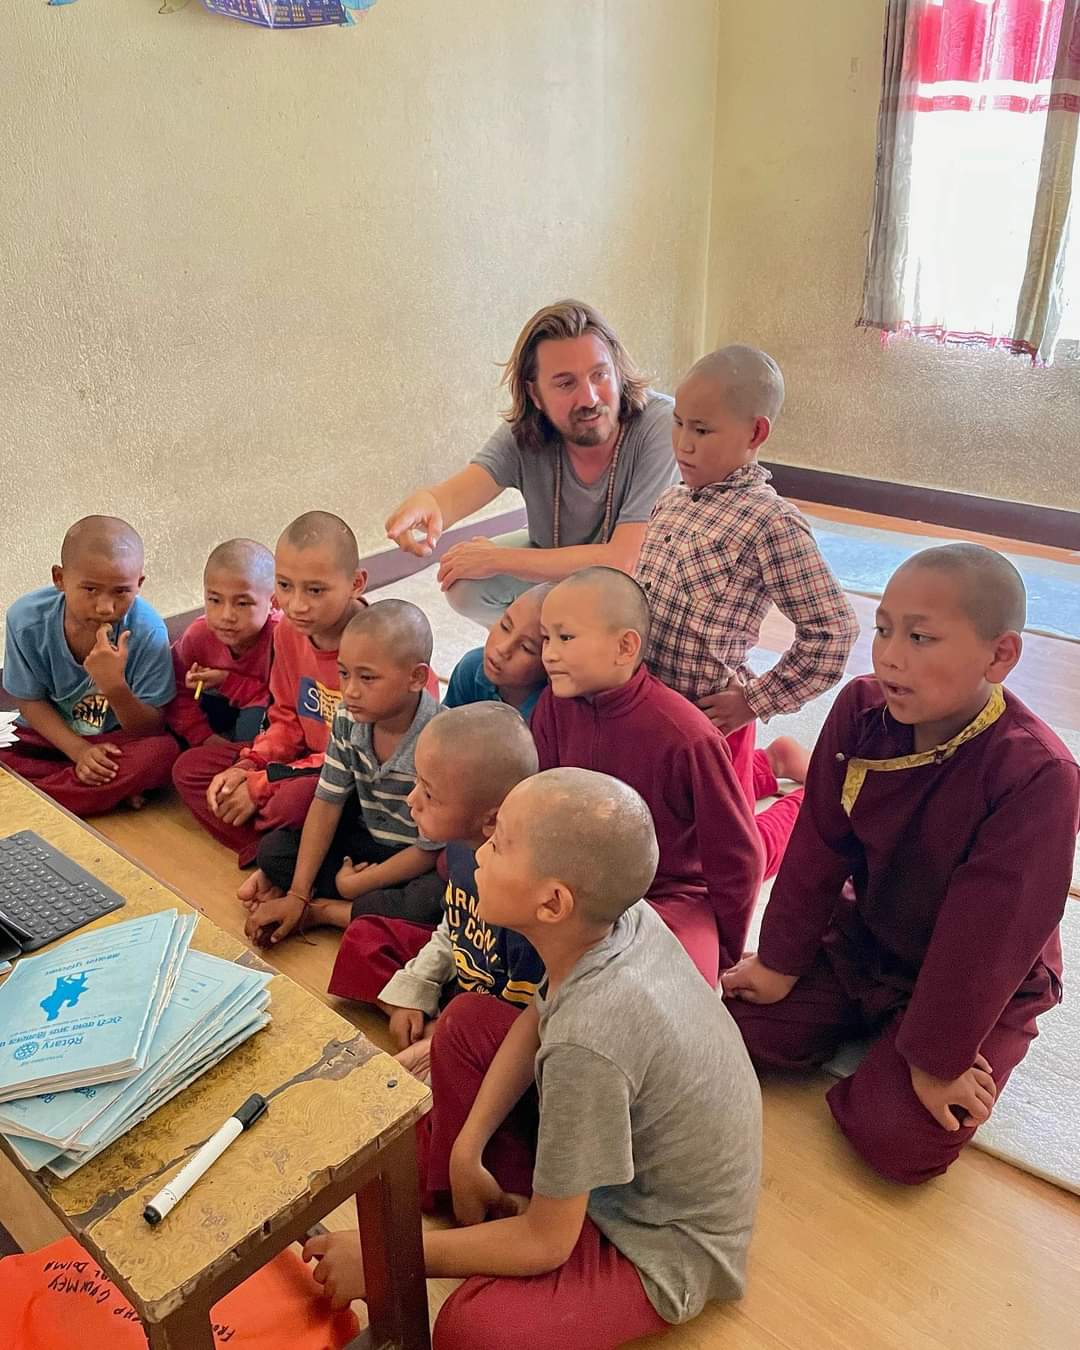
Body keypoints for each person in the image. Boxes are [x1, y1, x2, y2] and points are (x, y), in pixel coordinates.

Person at [303, 768, 762, 1350]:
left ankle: (493, 1210)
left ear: (552, 902)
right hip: (612, 1152)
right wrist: (469, 1147)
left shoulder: (589, 1042)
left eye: (500, 844)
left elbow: (547, 1244)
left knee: (471, 1330)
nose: (481, 853)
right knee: (468, 1019)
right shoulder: (614, 917)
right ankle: (479, 1193)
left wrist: (388, 1257)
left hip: (659, 1237)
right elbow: (539, 1015)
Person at [722, 544, 1080, 1185]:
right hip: (872, 934)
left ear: (1000, 656)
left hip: (984, 977)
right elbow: (820, 845)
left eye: (921, 637)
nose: (889, 654)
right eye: (884, 629)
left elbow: (996, 926)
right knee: (730, 1023)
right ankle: (867, 1024)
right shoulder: (860, 711)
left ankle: (904, 1043)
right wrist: (779, 961)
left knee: (899, 1139)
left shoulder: (1039, 774)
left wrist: (938, 1055)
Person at [635, 345, 858, 878]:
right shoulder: (670, 500)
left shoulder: (770, 524)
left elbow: (833, 632)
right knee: (646, 836)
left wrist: (752, 701)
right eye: (679, 425)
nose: (683, 445)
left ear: (756, 434)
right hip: (649, 714)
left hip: (714, 727)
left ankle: (799, 802)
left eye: (703, 431)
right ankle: (773, 764)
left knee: (726, 866)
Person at [532, 567, 763, 983]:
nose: (548, 653)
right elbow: (543, 805)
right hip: (584, 887)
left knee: (670, 987)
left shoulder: (687, 735)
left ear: (625, 647)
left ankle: (792, 791)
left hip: (672, 894)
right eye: (546, 637)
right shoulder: (553, 705)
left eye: (565, 638)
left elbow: (738, 854)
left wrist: (724, 949)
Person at [384, 300, 678, 628]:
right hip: (565, 568)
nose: (590, 398)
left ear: (617, 369)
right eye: (566, 383)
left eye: (600, 374)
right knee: (463, 582)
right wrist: (428, 504)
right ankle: (534, 652)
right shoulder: (528, 431)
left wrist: (497, 559)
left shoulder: (662, 424)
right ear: (535, 394)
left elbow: (623, 560)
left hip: (641, 586)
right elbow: (454, 495)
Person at [327, 703, 544, 1080]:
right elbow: (453, 927)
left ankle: (433, 1034)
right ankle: (416, 1020)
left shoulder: (524, 894)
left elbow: (524, 1017)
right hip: (463, 977)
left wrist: (447, 1030)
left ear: (490, 818)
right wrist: (416, 988)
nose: (411, 801)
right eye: (417, 784)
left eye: (429, 794)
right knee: (364, 935)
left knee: (451, 1079)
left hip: (502, 1017)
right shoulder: (461, 846)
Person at [241, 600, 444, 948]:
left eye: (367, 677)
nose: (350, 690)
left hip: (415, 859)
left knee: (429, 903)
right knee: (274, 851)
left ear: (417, 678)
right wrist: (297, 893)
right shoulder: (349, 718)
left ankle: (326, 911)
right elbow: (327, 802)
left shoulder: (440, 739)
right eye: (344, 673)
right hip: (365, 843)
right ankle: (333, 905)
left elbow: (431, 846)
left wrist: (361, 884)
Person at [173, 511, 367, 865]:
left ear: (357, 583)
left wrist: (261, 786)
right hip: (298, 763)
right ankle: (273, 855)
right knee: (191, 769)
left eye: (315, 590)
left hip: (349, 779)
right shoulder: (288, 632)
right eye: (285, 585)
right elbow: (285, 717)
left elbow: (354, 758)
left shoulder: (376, 645)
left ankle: (287, 855)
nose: (296, 604)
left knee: (294, 800)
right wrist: (248, 767)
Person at [0, 515, 177, 814]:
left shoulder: (148, 632)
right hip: (47, 738)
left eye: (121, 591)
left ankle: (30, 801)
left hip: (113, 744)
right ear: (60, 579)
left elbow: (150, 728)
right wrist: (78, 751)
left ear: (139, 584)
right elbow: (28, 701)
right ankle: (101, 792)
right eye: (90, 590)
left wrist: (115, 687)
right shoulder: (26, 620)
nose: (105, 607)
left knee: (163, 754)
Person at [167, 538, 278, 751]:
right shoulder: (197, 636)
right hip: (216, 702)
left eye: (242, 603)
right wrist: (203, 737)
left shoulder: (281, 637)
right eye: (215, 600)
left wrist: (227, 682)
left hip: (260, 703)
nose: (226, 616)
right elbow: (177, 692)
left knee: (256, 730)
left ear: (273, 601)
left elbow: (282, 699)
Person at [442, 584, 552, 720]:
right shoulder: (472, 668)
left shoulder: (550, 714)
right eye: (505, 626)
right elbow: (443, 728)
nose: (502, 649)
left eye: (526, 648)